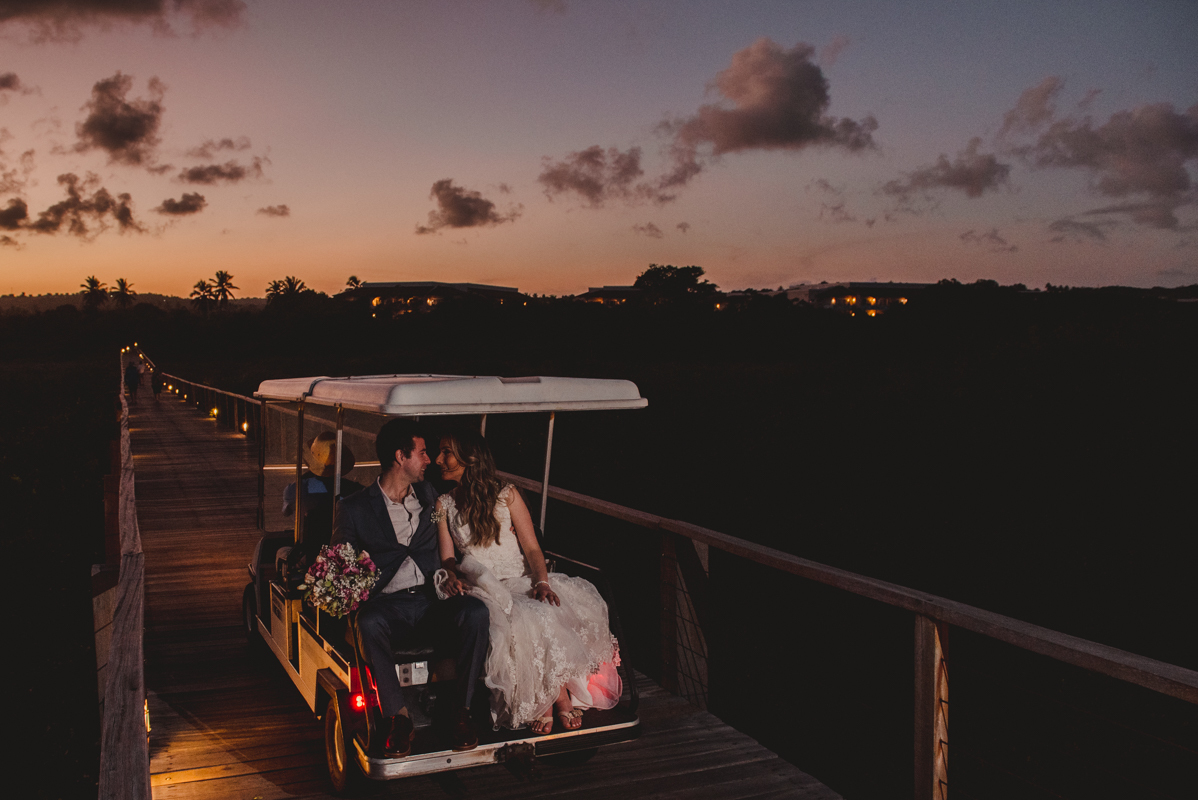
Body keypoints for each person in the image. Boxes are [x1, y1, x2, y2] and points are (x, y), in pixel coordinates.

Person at [433, 431, 621, 734]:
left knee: (542, 610)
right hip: (484, 586)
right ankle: (552, 700)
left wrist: (542, 582)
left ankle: (555, 696)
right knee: (516, 619)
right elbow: (447, 559)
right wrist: (451, 576)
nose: (439, 460)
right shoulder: (441, 505)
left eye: (446, 452)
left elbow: (532, 548)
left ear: (469, 458)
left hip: (520, 579)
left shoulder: (507, 493)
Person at [332, 419, 488, 757]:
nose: (429, 459)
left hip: (434, 600)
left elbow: (442, 530)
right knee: (367, 621)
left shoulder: (430, 500)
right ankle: (398, 719)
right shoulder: (355, 507)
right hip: (389, 605)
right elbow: (340, 561)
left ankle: (462, 711)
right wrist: (349, 589)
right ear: (400, 456)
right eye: (422, 453)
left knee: (475, 611)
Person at [281, 432, 365, 586]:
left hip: (310, 555)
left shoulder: (297, 489)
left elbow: (286, 511)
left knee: (280, 553)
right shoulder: (356, 491)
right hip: (347, 555)